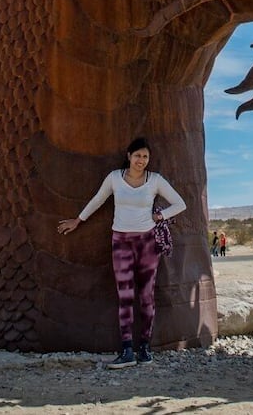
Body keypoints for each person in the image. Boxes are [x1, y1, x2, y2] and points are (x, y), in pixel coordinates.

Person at [57, 137, 186, 369]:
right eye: (137, 156)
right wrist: (78, 220)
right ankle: (126, 350)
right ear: (129, 156)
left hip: (147, 242)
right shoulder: (115, 178)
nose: (141, 160)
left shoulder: (155, 180)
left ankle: (144, 348)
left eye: (145, 157)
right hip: (121, 241)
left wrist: (160, 216)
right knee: (125, 295)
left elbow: (180, 204)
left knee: (146, 296)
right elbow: (98, 199)